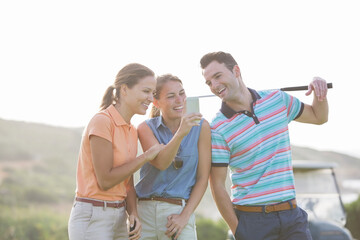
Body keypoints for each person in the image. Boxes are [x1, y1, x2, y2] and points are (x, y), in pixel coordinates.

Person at [200, 51, 329, 240]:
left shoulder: (277, 99)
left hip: (292, 216)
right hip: (253, 222)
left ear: (236, 70)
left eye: (218, 76)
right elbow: (217, 184)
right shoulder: (218, 128)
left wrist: (320, 91)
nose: (214, 85)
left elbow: (319, 117)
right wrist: (238, 230)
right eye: (209, 82)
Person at [68, 63, 164, 240]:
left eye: (153, 93)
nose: (151, 98)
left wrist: (133, 212)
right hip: (92, 217)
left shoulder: (131, 130)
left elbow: (127, 181)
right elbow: (105, 180)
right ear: (124, 89)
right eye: (146, 91)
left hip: (120, 216)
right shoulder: (102, 122)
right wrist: (145, 156)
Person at [135, 74, 211, 240]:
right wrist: (180, 133)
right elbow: (162, 163)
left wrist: (185, 216)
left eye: (182, 93)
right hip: (144, 214)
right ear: (156, 102)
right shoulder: (145, 128)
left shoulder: (202, 127)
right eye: (171, 96)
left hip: (178, 213)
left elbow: (202, 178)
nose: (180, 100)